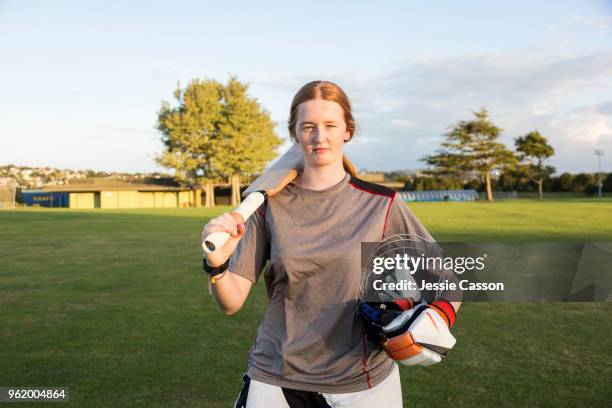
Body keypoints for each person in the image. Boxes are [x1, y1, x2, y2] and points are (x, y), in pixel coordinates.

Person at [202, 81, 460, 407]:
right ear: (295, 134)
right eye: (308, 126)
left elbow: (444, 278)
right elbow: (231, 302)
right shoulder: (268, 205)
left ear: (347, 131)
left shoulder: (381, 204)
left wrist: (433, 322)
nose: (319, 136)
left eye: (330, 126)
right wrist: (218, 264)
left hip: (362, 382)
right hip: (277, 375)